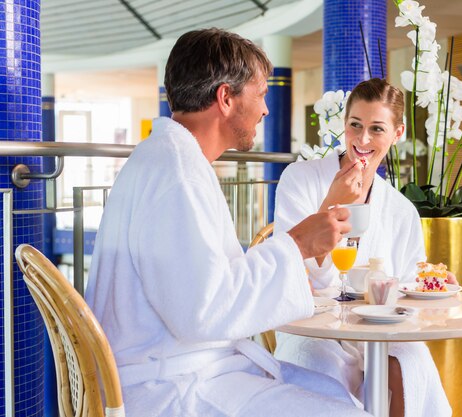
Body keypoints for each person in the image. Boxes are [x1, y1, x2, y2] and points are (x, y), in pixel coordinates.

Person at [85, 28, 371, 417]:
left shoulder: (167, 158)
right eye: (261, 94)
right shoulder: (177, 175)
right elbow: (203, 311)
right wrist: (296, 246)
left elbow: (202, 287)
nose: (266, 109)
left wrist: (288, 254)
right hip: (170, 386)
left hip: (180, 367)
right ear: (225, 98)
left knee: (334, 388)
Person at [273, 78, 453, 417]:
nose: (363, 139)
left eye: (377, 129)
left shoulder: (401, 209)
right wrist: (331, 203)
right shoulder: (299, 179)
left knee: (411, 362)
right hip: (311, 328)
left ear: (398, 133)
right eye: (355, 125)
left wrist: (430, 282)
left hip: (377, 329)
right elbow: (287, 266)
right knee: (317, 367)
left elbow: (410, 284)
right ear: (344, 124)